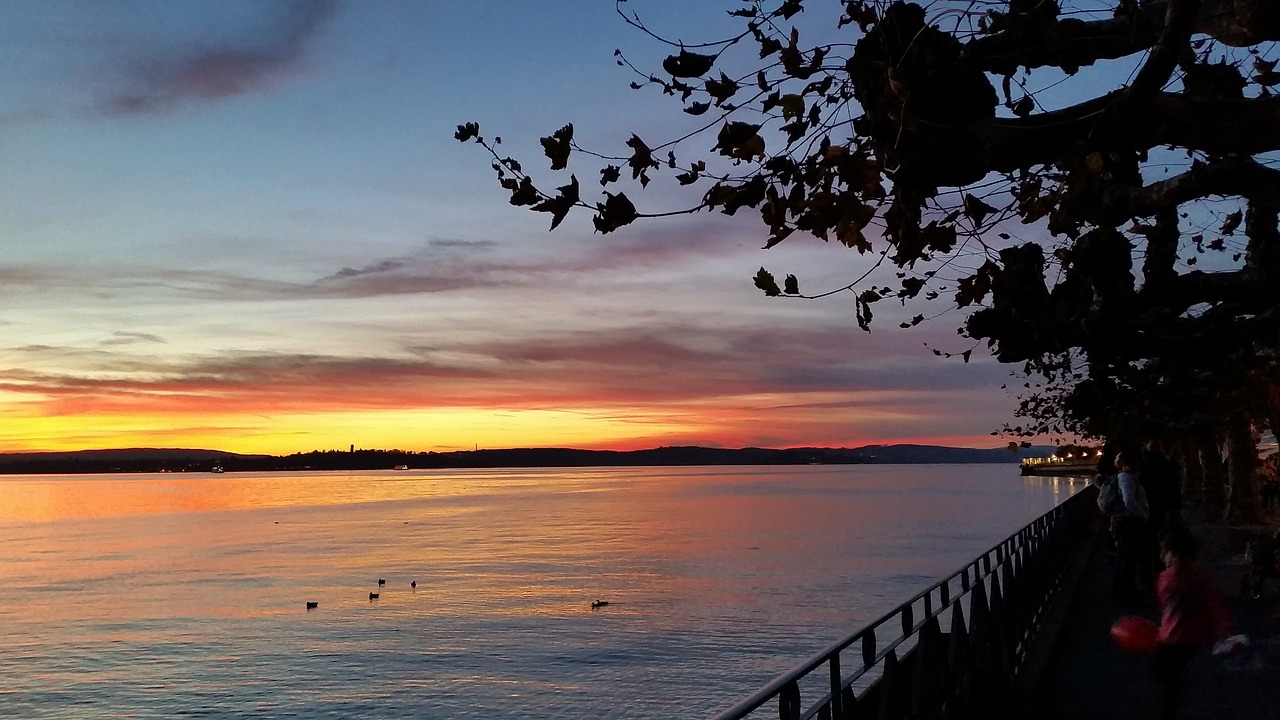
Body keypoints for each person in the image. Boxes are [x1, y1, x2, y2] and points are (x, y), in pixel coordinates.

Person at [1151, 524, 1230, 720]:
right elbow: (1167, 609)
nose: (1163, 557)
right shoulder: (1164, 577)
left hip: (1191, 636)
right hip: (1169, 634)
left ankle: (1168, 712)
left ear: (1176, 555)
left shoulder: (1197, 578)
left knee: (1169, 678)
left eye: (1166, 552)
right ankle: (1178, 684)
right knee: (1157, 669)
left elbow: (1213, 603)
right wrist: (1162, 629)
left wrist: (1225, 630)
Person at [1112, 449, 1150, 606]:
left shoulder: (1125, 477)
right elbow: (1129, 501)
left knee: (1124, 558)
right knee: (1128, 559)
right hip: (1130, 523)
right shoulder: (1127, 478)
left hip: (1125, 522)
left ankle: (1123, 592)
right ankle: (1126, 595)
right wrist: (1143, 515)